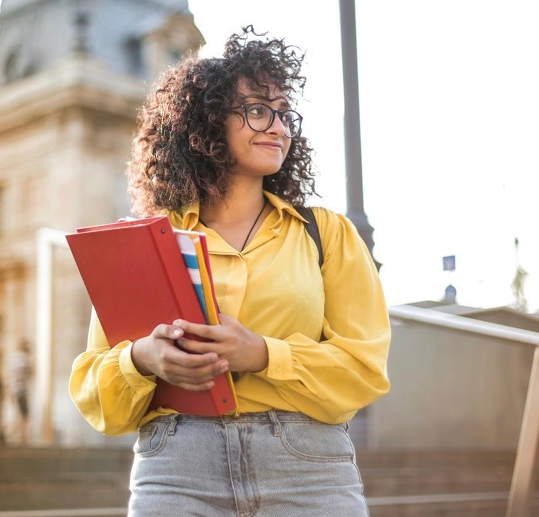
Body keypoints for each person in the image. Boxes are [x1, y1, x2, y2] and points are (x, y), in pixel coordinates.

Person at [69, 26, 391, 516]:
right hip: (177, 467)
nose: (279, 126)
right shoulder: (148, 242)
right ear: (206, 123)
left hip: (307, 467)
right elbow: (96, 391)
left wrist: (262, 354)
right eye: (258, 110)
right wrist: (142, 359)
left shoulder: (326, 234)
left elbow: (364, 370)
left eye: (285, 114)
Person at [11, 339, 33, 444]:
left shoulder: (15, 359)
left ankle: (21, 435)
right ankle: (23, 436)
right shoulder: (24, 359)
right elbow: (30, 372)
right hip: (22, 390)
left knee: (20, 413)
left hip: (15, 389)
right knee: (24, 414)